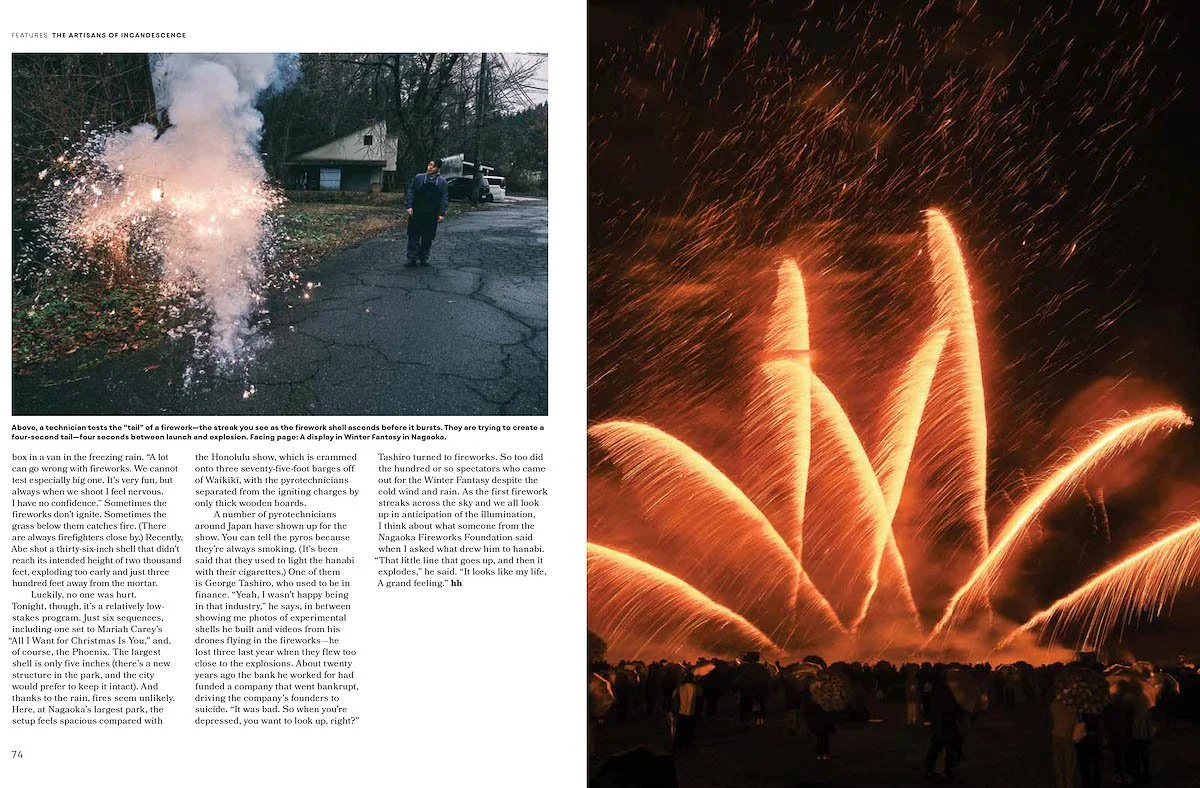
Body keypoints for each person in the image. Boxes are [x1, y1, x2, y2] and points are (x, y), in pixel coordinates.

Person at [404, 159, 449, 267]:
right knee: (413, 236)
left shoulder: (442, 182)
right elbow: (411, 191)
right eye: (429, 165)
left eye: (432, 166)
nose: (429, 167)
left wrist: (442, 213)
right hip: (417, 211)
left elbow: (444, 197)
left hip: (431, 213)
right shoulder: (419, 178)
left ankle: (424, 257)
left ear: (437, 168)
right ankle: (412, 258)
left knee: (427, 237)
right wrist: (409, 206)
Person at [1050, 695, 1078, 788]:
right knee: (1068, 763)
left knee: (1058, 762)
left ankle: (1061, 784)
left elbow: (1051, 710)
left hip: (1057, 734)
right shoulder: (1073, 705)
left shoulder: (1056, 704)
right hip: (1068, 734)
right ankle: (1068, 784)